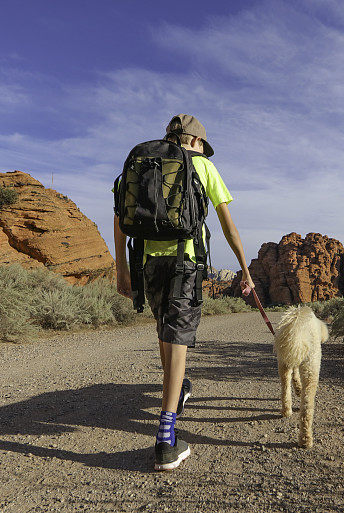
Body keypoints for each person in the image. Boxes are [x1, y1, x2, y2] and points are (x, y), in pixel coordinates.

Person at [113, 114, 255, 471]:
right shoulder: (203, 166)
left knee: (164, 328)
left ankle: (177, 393)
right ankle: (166, 437)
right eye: (201, 144)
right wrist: (246, 269)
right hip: (185, 262)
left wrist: (122, 269)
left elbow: (119, 216)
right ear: (194, 141)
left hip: (147, 263)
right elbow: (228, 225)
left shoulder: (143, 163)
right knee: (177, 338)